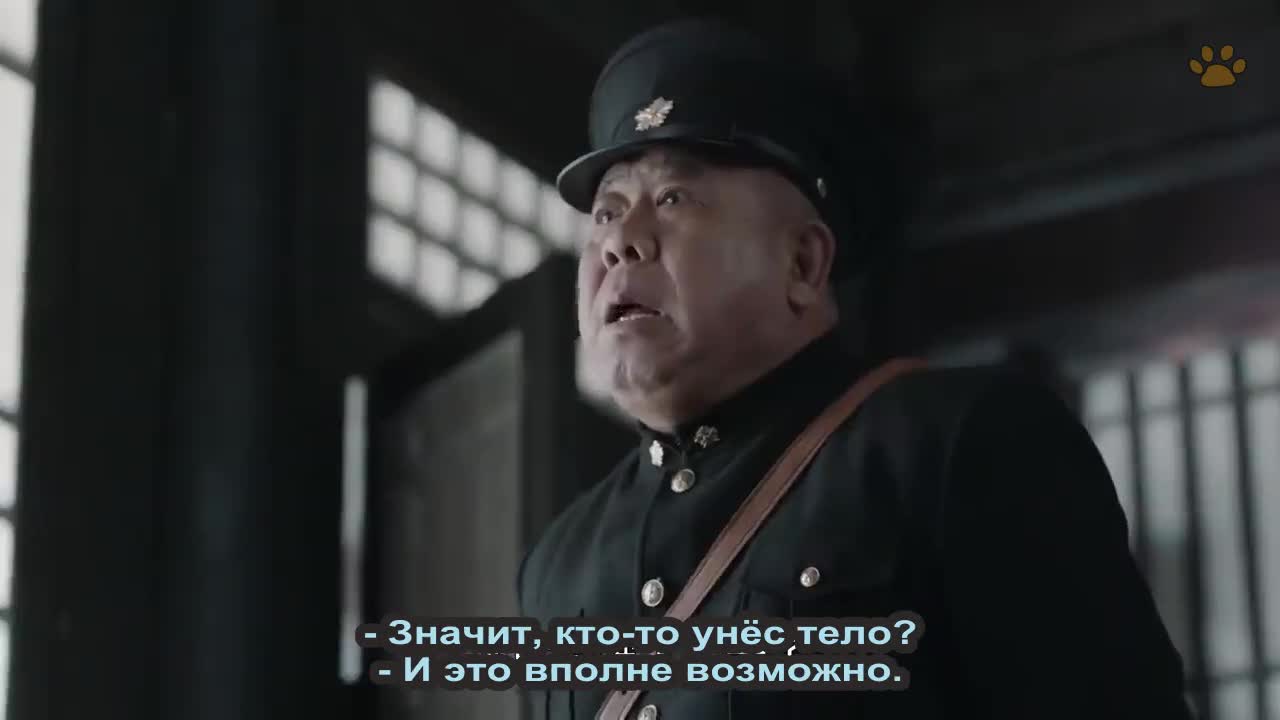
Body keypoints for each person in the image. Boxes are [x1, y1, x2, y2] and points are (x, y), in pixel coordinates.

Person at [517, 18, 1192, 720]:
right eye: (606, 213)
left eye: (672, 199)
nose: (621, 243)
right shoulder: (557, 564)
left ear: (804, 264)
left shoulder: (957, 447)